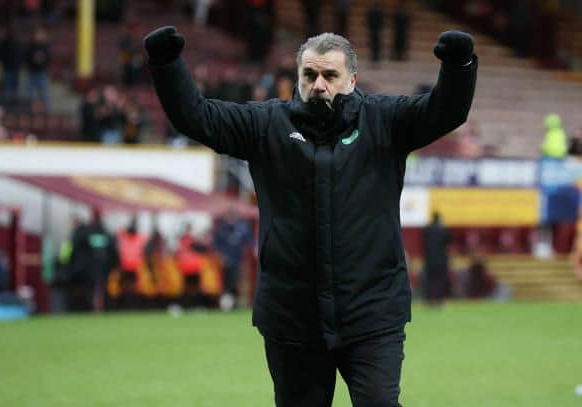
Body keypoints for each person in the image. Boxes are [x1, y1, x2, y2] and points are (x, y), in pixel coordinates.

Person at [144, 25, 477, 406]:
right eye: (310, 75)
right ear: (298, 78)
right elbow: (197, 117)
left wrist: (459, 67)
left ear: (351, 80)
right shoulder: (265, 125)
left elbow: (444, 111)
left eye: (330, 75)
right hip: (292, 319)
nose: (319, 84)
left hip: (371, 313)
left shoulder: (385, 122)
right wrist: (167, 65)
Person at [422, 212, 452, 305]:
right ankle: (440, 300)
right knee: (440, 281)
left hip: (429, 260)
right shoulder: (443, 230)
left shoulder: (427, 229)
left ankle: (429, 300)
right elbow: (449, 241)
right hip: (441, 260)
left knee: (429, 280)